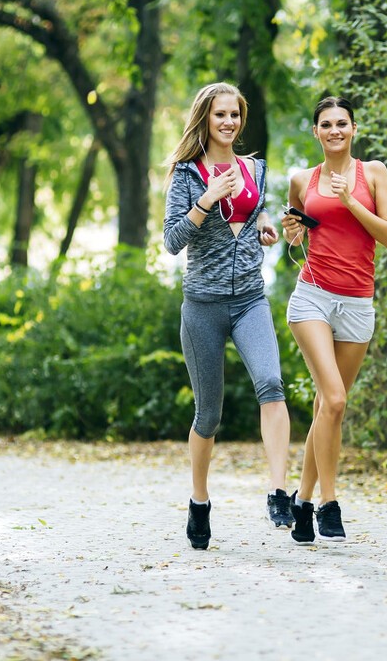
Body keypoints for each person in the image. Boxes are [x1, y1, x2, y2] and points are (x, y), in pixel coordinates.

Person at [163, 82, 292, 550]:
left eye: (235, 114)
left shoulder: (255, 167)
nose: (229, 122)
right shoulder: (186, 174)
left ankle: (278, 492)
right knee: (209, 415)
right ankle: (199, 501)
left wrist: (264, 223)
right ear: (206, 118)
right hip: (203, 306)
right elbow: (172, 241)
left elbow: (255, 209)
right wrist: (206, 199)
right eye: (220, 114)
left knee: (271, 383)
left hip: (250, 300)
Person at [281, 96, 387, 543]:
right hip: (312, 297)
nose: (335, 130)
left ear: (354, 129)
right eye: (326, 124)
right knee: (334, 401)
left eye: (342, 123)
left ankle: (302, 501)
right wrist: (293, 231)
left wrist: (350, 201)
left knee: (325, 409)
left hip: (358, 303)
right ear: (316, 132)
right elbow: (296, 229)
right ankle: (329, 504)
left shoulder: (374, 173)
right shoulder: (302, 180)